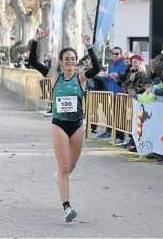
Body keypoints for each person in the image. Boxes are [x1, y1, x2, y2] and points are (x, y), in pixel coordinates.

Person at [28, 29, 100, 222]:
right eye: (66, 58)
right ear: (61, 61)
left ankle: (60, 175)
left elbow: (98, 68)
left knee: (71, 165)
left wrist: (89, 45)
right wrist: (35, 41)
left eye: (73, 58)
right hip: (59, 124)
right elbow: (32, 62)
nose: (70, 61)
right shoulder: (54, 76)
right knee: (65, 166)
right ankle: (67, 208)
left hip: (77, 125)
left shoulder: (81, 77)